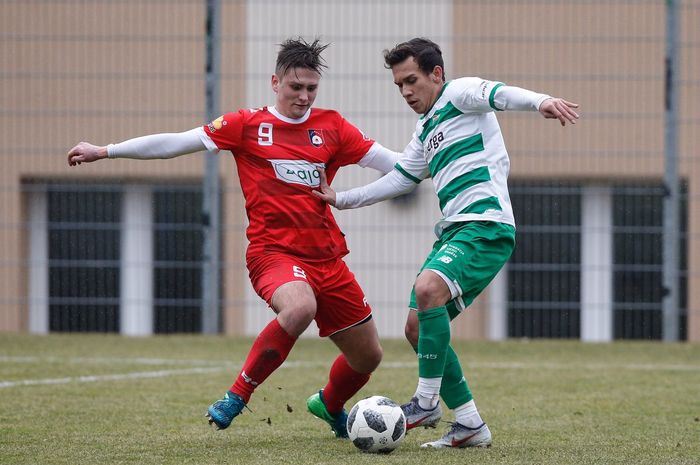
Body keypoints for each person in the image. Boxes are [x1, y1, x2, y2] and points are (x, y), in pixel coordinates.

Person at [66, 38, 401, 439]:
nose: (304, 96)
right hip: (273, 253)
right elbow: (178, 141)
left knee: (368, 356)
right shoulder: (247, 126)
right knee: (299, 308)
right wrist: (106, 150)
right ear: (275, 82)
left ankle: (328, 405)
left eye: (311, 88)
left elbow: (394, 163)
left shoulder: (332, 126)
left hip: (327, 258)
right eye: (296, 87)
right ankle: (237, 395)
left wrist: (440, 161)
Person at [313, 37, 579, 449]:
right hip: (455, 231)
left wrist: (541, 101)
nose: (405, 91)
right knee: (417, 328)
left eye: (412, 80)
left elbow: (499, 94)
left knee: (427, 289)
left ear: (436, 74)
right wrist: (342, 200)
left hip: (485, 225)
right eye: (399, 85)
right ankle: (470, 424)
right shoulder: (424, 130)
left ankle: (425, 401)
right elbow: (401, 178)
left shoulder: (459, 93)